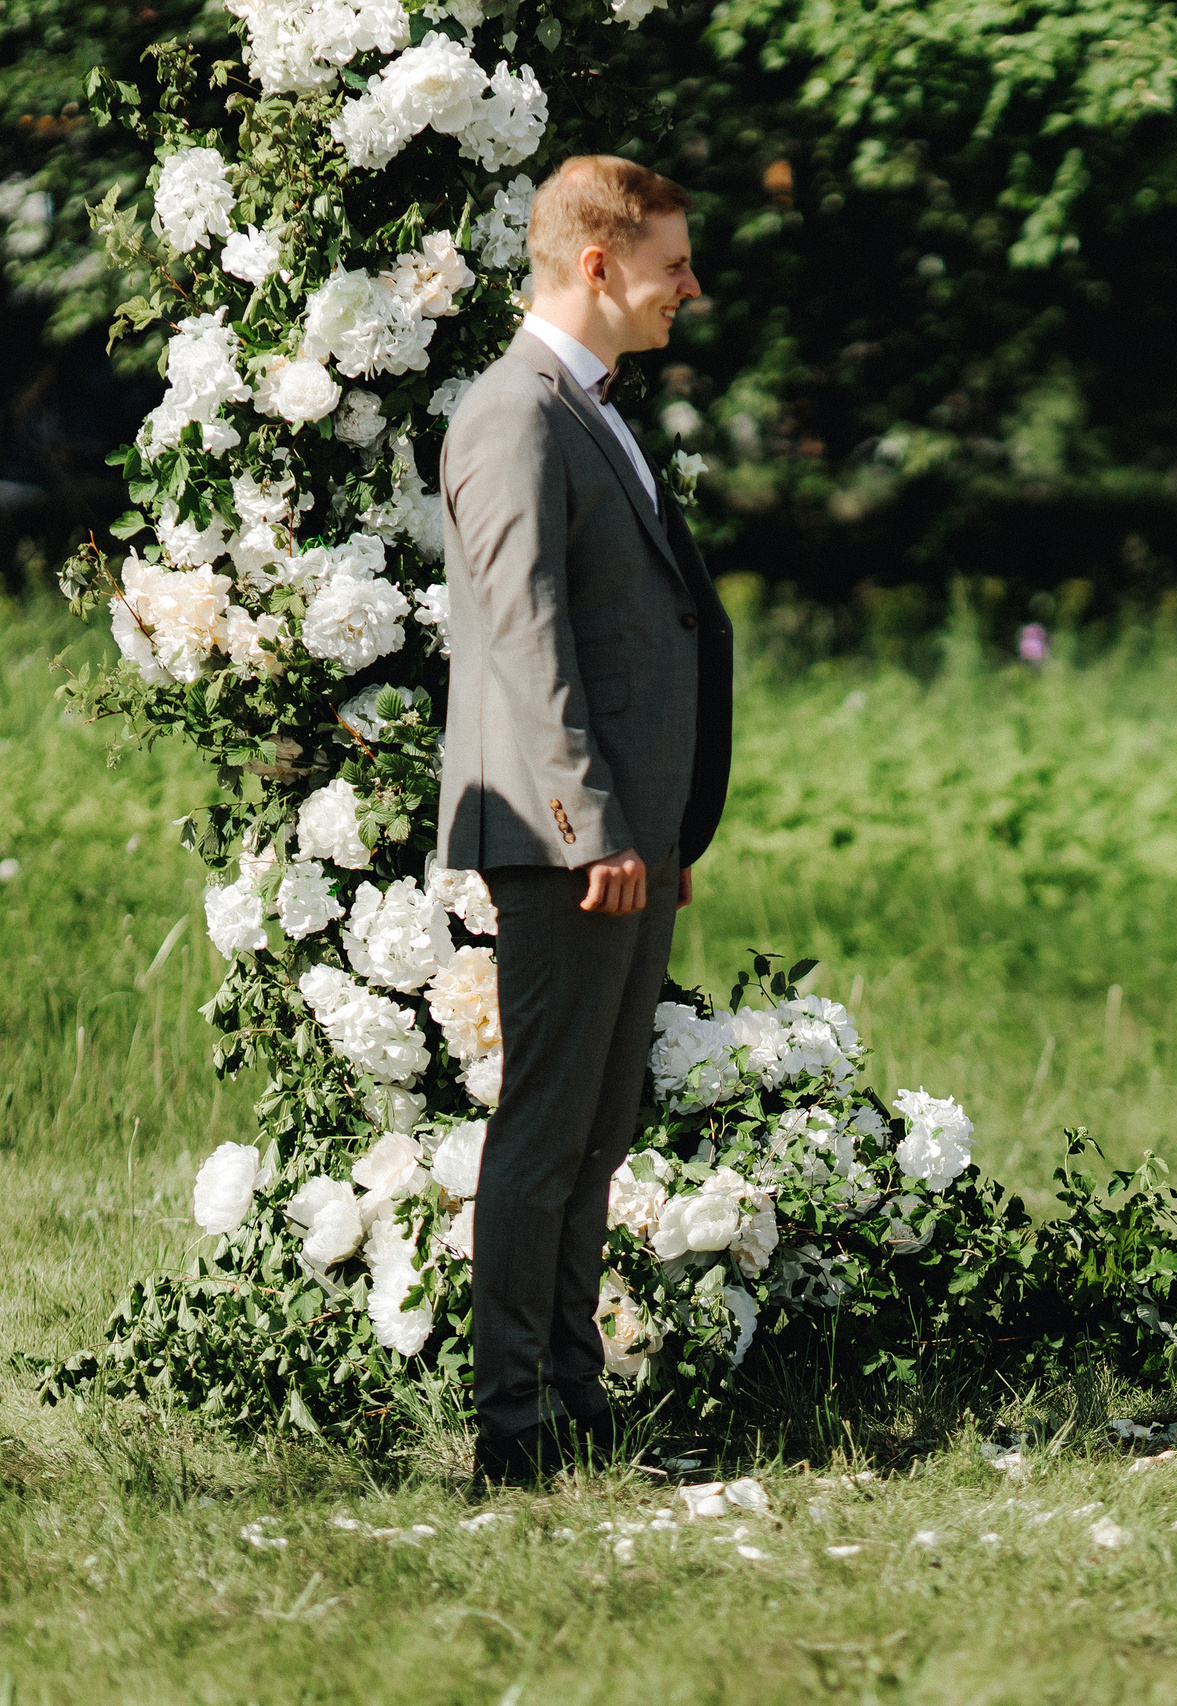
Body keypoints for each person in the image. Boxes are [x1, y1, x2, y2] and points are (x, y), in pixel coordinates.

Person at [436, 155, 735, 1487]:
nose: (692, 289)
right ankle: (512, 1425)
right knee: (548, 1128)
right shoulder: (514, 413)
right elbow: (526, 636)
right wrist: (593, 821)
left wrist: (659, 835)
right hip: (568, 837)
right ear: (599, 265)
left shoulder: (594, 409)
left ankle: (568, 1388)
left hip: (629, 838)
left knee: (598, 1129)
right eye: (674, 264)